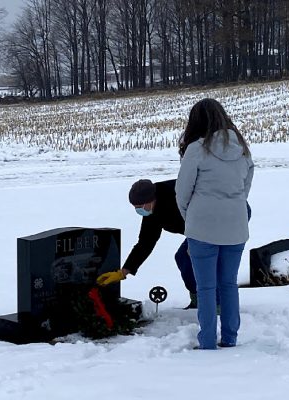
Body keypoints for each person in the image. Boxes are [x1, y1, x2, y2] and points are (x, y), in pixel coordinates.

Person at [175, 98, 254, 350]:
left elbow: (182, 192)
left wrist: (192, 217)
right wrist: (233, 206)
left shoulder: (196, 149)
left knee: (206, 287)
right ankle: (230, 337)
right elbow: (246, 185)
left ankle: (207, 340)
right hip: (236, 225)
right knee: (228, 283)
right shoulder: (242, 148)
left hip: (202, 226)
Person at [96, 178, 198, 308]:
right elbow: (145, 242)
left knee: (196, 259)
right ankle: (197, 299)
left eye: (140, 207)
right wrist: (124, 271)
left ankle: (216, 302)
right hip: (194, 232)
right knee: (183, 258)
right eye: (135, 207)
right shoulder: (152, 212)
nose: (138, 210)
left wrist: (197, 242)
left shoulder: (178, 196)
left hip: (213, 224)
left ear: (151, 200)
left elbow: (203, 213)